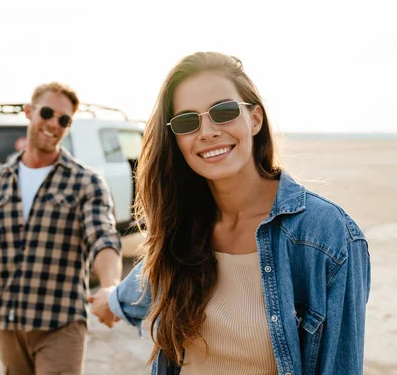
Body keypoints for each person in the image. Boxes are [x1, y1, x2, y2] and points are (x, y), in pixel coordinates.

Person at [89, 52, 370, 375]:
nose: (207, 131)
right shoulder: (182, 230)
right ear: (176, 140)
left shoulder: (327, 237)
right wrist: (108, 301)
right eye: (187, 121)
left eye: (223, 112)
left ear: (255, 119)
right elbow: (145, 285)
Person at [0, 82, 122, 374]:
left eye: (64, 120)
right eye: (47, 113)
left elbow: (101, 236)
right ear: (29, 112)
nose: (53, 124)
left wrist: (110, 286)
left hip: (60, 324)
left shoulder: (86, 182)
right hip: (8, 325)